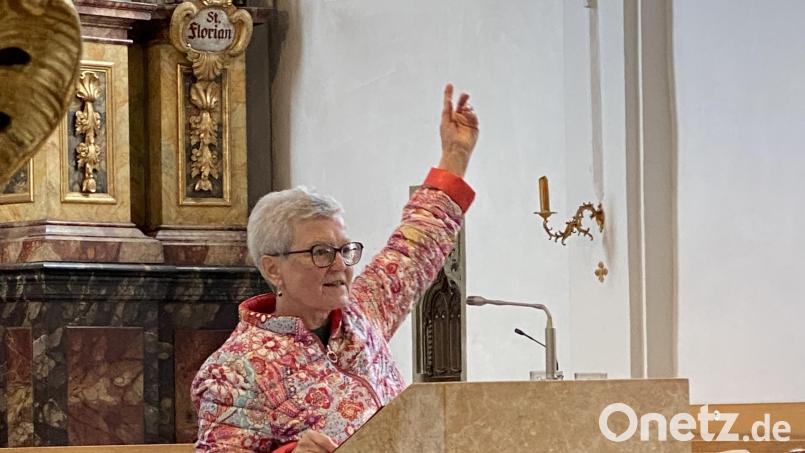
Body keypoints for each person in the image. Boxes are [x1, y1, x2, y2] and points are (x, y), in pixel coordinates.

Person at [192, 83, 479, 453]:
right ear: (273, 268)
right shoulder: (234, 370)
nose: (340, 266)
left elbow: (413, 249)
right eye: (321, 252)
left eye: (345, 250)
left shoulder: (363, 312)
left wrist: (454, 157)